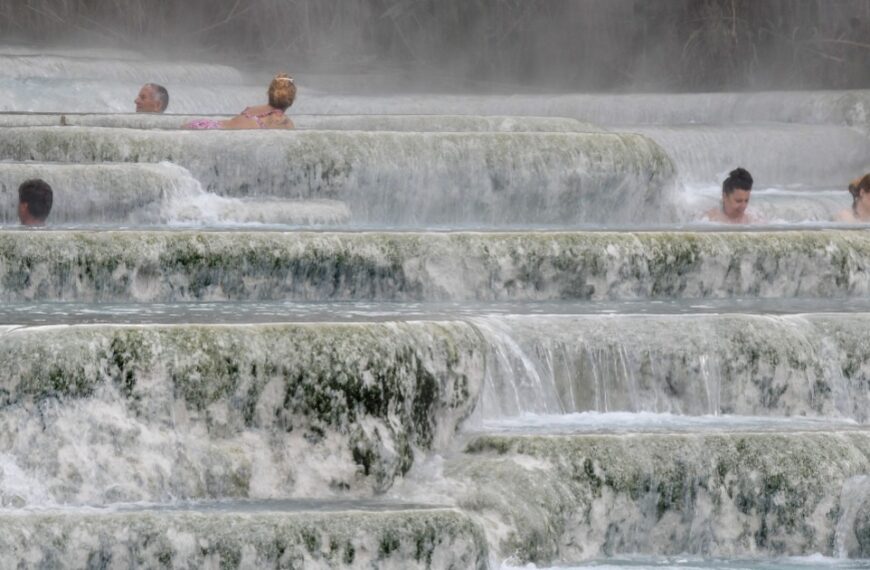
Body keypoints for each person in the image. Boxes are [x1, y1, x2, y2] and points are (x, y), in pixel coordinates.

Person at [183, 73, 295, 130]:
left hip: (205, 125)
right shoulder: (284, 123)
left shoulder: (253, 109)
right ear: (292, 99)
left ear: (269, 93)